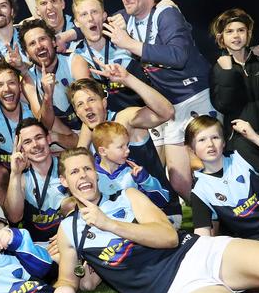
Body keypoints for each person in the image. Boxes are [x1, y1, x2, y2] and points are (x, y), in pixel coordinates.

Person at [56, 147, 259, 293]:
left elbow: (168, 237)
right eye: (74, 172)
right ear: (64, 181)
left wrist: (109, 224)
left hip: (198, 251)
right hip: (177, 289)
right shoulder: (69, 229)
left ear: (95, 173)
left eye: (87, 169)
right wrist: (74, 277)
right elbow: (67, 281)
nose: (83, 176)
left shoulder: (128, 196)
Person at [108, 0, 216, 201]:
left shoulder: (165, 13)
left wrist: (129, 44)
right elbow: (96, 20)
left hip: (196, 95)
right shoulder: (126, 18)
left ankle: (232, 220)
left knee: (212, 163)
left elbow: (178, 56)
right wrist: (67, 36)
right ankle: (213, 222)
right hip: (172, 106)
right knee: (178, 179)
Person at [68, 63, 182, 226]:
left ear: (104, 103)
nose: (87, 107)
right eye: (80, 104)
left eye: (91, 100)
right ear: (77, 112)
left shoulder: (123, 120)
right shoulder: (88, 133)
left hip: (160, 212)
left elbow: (167, 112)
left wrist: (127, 78)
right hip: (120, 219)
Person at [209, 8, 259, 187]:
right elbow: (224, 105)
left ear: (248, 33)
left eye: (241, 30)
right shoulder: (218, 69)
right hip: (246, 150)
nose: (236, 36)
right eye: (230, 31)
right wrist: (227, 73)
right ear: (221, 37)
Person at [187, 116, 259, 245]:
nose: (210, 144)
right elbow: (202, 234)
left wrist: (255, 138)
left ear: (223, 142)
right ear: (191, 148)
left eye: (215, 138)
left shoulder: (241, 156)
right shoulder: (200, 191)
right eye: (202, 140)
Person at [71, 0, 146, 112]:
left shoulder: (125, 38)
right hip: (108, 125)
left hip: (145, 113)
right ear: (77, 23)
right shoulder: (76, 55)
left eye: (94, 12)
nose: (90, 18)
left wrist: (163, 4)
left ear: (104, 16)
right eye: (83, 14)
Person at [5, 118, 69, 247]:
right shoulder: (21, 178)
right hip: (36, 246)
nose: (35, 145)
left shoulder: (67, 167)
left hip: (68, 239)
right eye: (27, 142)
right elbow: (13, 217)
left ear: (48, 139)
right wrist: (15, 173)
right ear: (21, 149)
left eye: (39, 137)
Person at [92, 121, 169, 208]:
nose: (128, 150)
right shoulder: (92, 175)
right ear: (103, 151)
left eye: (127, 145)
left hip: (136, 220)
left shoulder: (133, 171)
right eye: (121, 147)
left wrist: (146, 181)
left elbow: (163, 201)